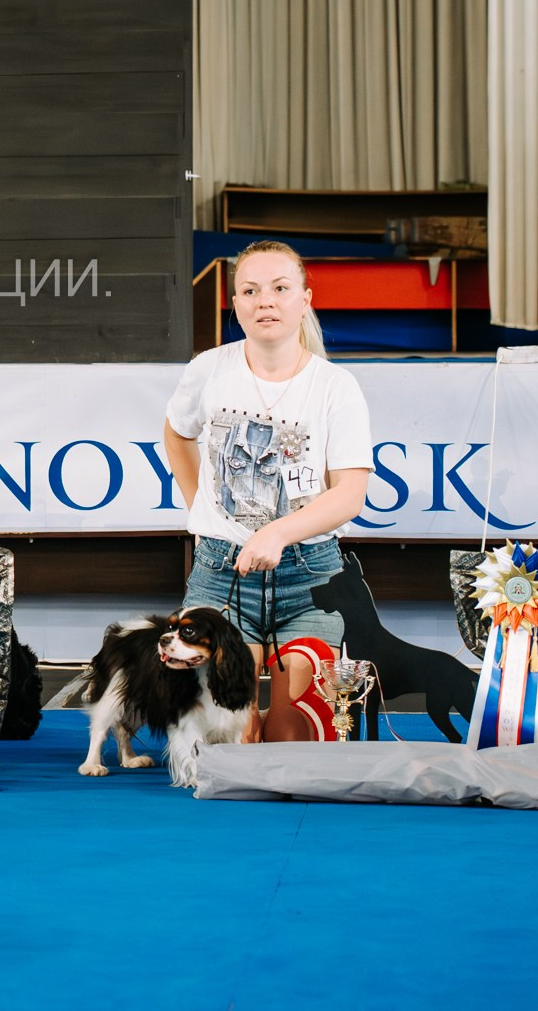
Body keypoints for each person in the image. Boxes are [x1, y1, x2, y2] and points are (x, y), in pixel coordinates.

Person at [163, 240, 371, 742]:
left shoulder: (336, 386)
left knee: (292, 742)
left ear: (305, 298)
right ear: (235, 303)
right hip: (220, 578)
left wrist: (277, 533)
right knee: (229, 737)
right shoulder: (208, 368)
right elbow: (176, 432)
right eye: (250, 291)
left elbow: (349, 495)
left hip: (311, 580)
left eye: (280, 288)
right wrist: (202, 507)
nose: (266, 301)